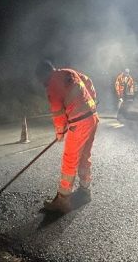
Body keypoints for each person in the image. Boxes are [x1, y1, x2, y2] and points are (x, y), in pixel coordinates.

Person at [35, 60, 99, 213]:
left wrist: (59, 133)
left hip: (80, 122)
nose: (41, 82)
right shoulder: (69, 72)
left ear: (45, 74)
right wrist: (92, 102)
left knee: (69, 159)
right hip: (93, 117)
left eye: (40, 79)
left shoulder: (52, 85)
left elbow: (58, 114)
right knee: (84, 155)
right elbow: (88, 82)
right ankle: (85, 191)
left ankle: (62, 200)